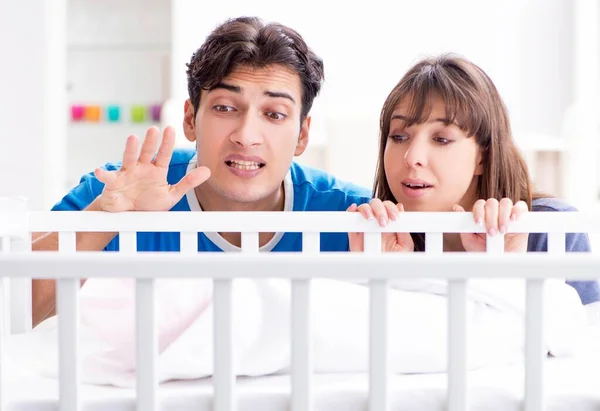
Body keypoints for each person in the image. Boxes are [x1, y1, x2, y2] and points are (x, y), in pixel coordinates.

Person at [31, 16, 371, 327]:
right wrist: (104, 221)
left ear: (303, 134)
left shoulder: (354, 217)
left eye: (275, 114)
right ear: (191, 119)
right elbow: (16, 306)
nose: (246, 135)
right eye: (225, 107)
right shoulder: (118, 192)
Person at [348, 53, 600, 306]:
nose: (412, 157)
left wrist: (506, 274)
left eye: (442, 139)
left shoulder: (550, 230)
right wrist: (387, 281)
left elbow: (581, 340)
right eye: (399, 137)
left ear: (483, 155)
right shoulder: (376, 237)